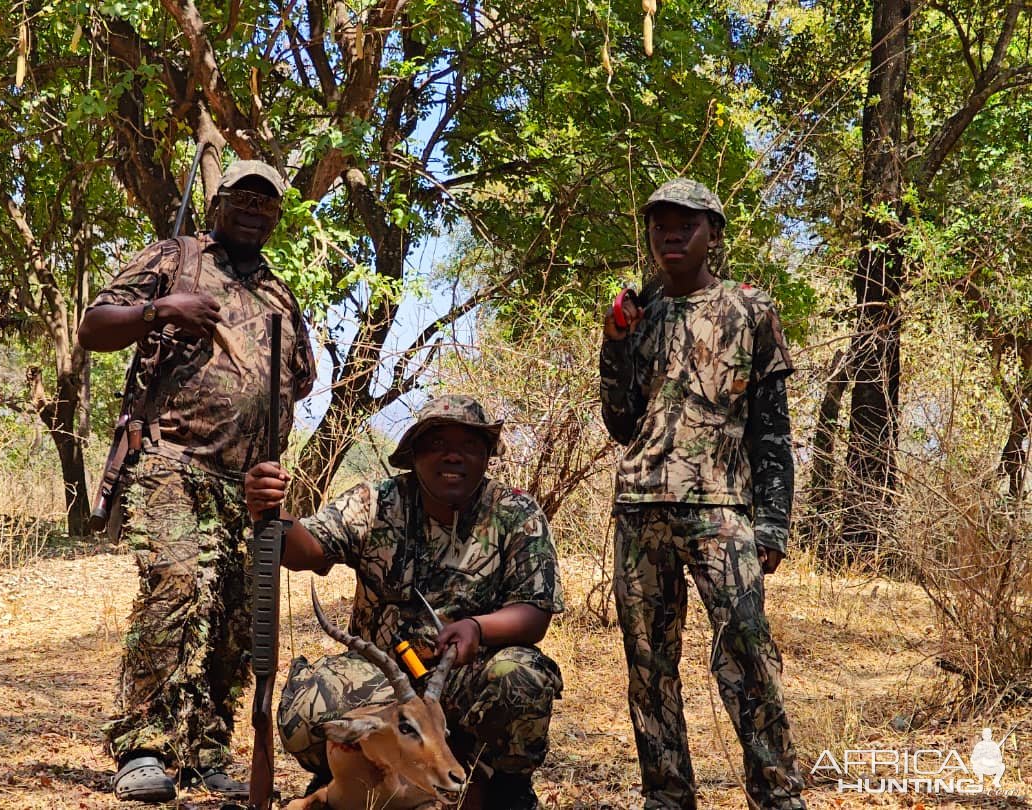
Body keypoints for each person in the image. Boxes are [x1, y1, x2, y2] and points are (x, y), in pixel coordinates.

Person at [78, 160, 315, 803]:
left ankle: (204, 745)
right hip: (171, 460)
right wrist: (159, 310)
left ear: (276, 217)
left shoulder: (281, 295)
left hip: (248, 483)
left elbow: (298, 382)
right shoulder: (174, 259)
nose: (254, 210)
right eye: (242, 198)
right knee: (177, 582)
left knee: (237, 613)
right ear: (216, 205)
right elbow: (93, 326)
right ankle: (146, 745)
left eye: (267, 204)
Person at [243, 394, 564, 810]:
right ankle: (357, 783)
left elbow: (534, 613)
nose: (453, 456)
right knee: (307, 707)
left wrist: (478, 628)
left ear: (487, 456)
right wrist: (267, 513)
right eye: (437, 444)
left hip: (465, 682)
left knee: (522, 675)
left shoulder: (515, 511)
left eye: (469, 445)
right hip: (384, 685)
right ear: (413, 455)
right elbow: (307, 549)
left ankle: (496, 788)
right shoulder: (376, 502)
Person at [599, 178, 807, 810]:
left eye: (685, 223)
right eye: (660, 222)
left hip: (722, 510)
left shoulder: (750, 309)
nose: (670, 232)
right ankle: (667, 796)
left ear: (713, 233)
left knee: (747, 652)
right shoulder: (637, 314)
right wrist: (612, 344)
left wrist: (772, 523)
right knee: (649, 668)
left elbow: (772, 429)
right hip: (641, 508)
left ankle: (776, 793)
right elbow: (619, 422)